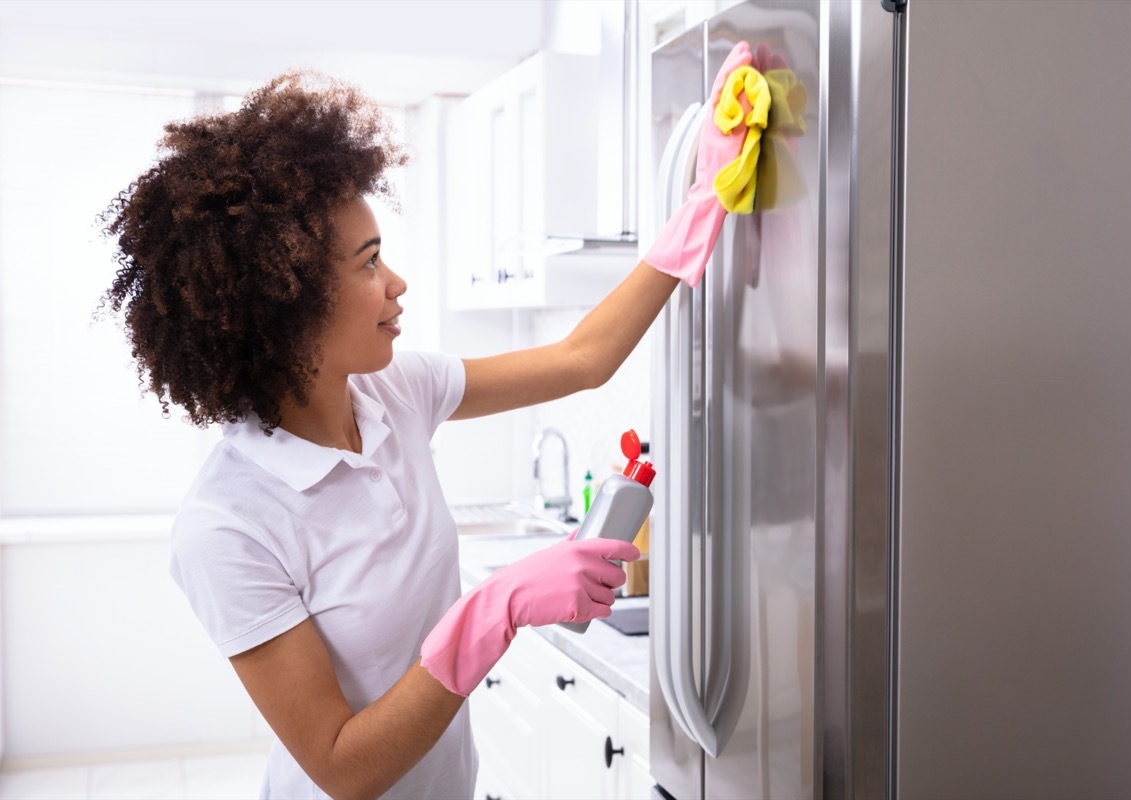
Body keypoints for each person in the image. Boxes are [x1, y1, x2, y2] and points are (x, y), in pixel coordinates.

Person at [101, 43, 755, 800]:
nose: (397, 283)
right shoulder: (228, 526)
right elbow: (345, 767)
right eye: (370, 263)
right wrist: (495, 607)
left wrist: (701, 202)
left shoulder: (393, 392)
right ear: (288, 310)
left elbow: (584, 357)